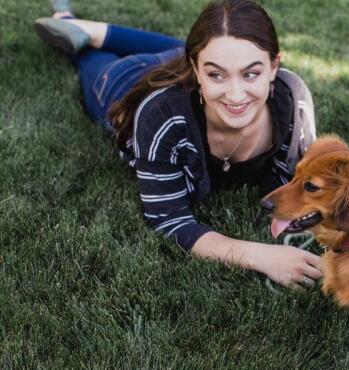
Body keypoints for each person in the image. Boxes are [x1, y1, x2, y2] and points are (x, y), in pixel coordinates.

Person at [34, 0, 323, 288]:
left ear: (274, 66)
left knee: (211, 47)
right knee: (85, 54)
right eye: (215, 74)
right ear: (196, 71)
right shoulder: (162, 115)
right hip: (123, 81)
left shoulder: (292, 101)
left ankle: (90, 27)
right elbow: (170, 220)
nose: (236, 95)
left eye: (251, 73)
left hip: (184, 63)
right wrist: (259, 255)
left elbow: (303, 183)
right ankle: (76, 27)